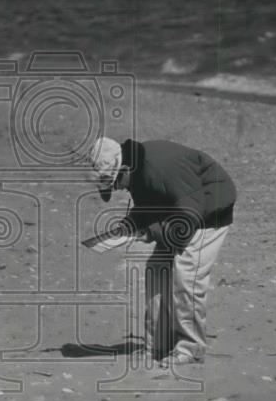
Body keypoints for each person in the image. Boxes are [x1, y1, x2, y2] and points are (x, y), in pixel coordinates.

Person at [87, 137, 237, 365]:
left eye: (116, 183)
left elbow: (189, 216)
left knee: (186, 274)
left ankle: (190, 348)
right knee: (156, 268)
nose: (118, 189)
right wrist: (129, 225)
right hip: (182, 208)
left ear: (124, 169)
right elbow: (149, 204)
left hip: (209, 210)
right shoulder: (137, 168)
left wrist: (150, 232)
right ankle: (157, 345)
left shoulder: (161, 167)